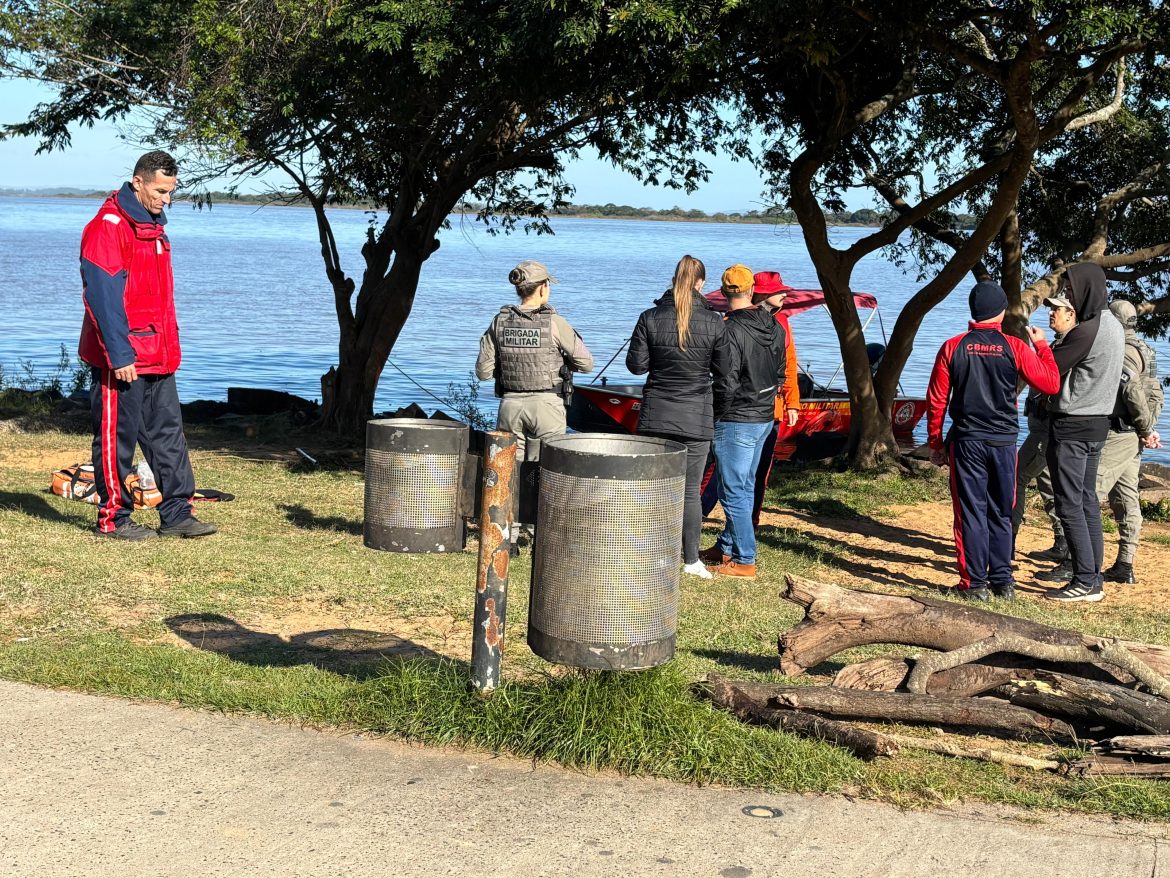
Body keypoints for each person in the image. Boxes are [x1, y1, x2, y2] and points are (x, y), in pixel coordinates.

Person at [79, 150, 216, 540]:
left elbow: (154, 297)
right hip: (122, 358)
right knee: (116, 439)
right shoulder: (108, 226)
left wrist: (170, 351)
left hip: (159, 353)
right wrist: (119, 354)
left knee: (168, 434)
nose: (165, 199)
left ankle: (177, 513)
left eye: (170, 192)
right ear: (137, 182)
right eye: (159, 190)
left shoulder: (154, 226)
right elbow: (103, 297)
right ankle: (113, 519)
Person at [926, 281, 1060, 601]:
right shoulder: (1015, 347)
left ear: (973, 312)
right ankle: (1003, 582)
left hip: (967, 441)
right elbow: (1051, 383)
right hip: (1003, 442)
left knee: (971, 512)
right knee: (1001, 510)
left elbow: (936, 401)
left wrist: (935, 443)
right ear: (1000, 313)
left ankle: (974, 584)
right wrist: (1042, 346)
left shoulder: (952, 346)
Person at [475, 260, 593, 544]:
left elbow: (483, 372)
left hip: (511, 405)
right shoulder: (553, 322)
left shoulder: (499, 321)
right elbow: (587, 363)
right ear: (543, 288)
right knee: (545, 470)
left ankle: (509, 536)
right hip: (548, 406)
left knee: (509, 472)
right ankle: (540, 532)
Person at [627, 255, 730, 579]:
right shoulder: (714, 322)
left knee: (654, 489)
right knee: (689, 493)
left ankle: (653, 554)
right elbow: (726, 374)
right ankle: (690, 560)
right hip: (696, 418)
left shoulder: (650, 318)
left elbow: (637, 366)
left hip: (656, 415)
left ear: (674, 280)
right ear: (701, 283)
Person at [1036, 264, 1126, 602]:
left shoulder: (1087, 331)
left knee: (1070, 504)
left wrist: (1043, 343)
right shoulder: (1114, 326)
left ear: (1087, 289)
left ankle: (1085, 580)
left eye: (1072, 291)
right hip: (1097, 424)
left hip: (1073, 425)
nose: (1068, 297)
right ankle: (1094, 578)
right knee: (1087, 501)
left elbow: (1047, 370)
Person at [698, 265, 787, 579]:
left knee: (733, 490)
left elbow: (727, 381)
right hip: (763, 415)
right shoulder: (775, 326)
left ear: (723, 293)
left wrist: (714, 413)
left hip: (736, 417)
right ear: (752, 290)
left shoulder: (728, 329)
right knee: (745, 486)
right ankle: (725, 547)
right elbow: (780, 374)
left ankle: (745, 559)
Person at [1093, 299, 1164, 584]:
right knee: (1125, 496)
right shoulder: (1147, 350)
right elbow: (1156, 392)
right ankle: (1124, 564)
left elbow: (1132, 390)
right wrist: (1147, 428)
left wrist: (1144, 427)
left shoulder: (1122, 351)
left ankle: (1083, 563)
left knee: (1090, 493)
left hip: (1120, 433)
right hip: (1132, 434)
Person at [1012, 298, 1078, 560]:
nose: (1051, 313)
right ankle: (1061, 542)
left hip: (1048, 429)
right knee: (1048, 481)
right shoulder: (1059, 344)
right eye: (1050, 309)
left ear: (1071, 314)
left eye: (1057, 310)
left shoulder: (1072, 346)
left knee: (1017, 473)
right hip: (1041, 427)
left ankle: (1009, 538)